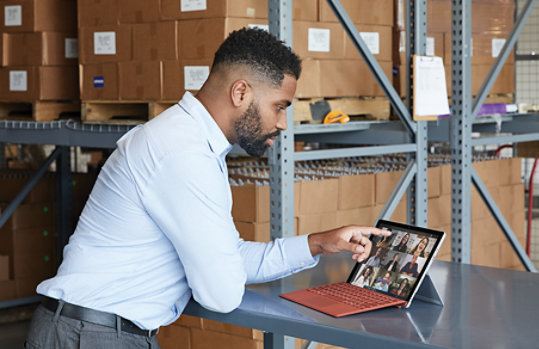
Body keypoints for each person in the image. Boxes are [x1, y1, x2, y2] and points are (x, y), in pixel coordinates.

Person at [25, 28, 390, 349]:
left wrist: (318, 243)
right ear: (241, 92)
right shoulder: (183, 154)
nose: (282, 123)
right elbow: (221, 293)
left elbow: (227, 258)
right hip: (92, 337)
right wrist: (220, 266)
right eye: (279, 106)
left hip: (92, 331)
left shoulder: (189, 142)